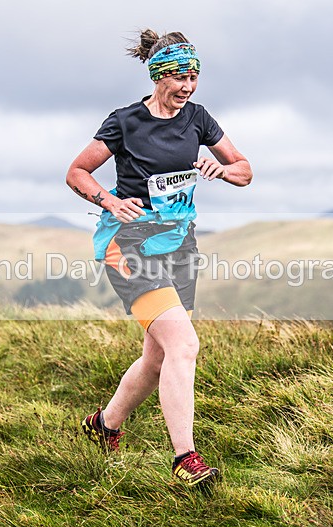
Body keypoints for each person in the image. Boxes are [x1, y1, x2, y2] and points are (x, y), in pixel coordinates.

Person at [66, 29, 252, 488]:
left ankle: (104, 425)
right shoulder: (125, 121)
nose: (188, 86)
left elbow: (245, 170)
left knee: (157, 357)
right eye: (180, 77)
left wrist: (222, 169)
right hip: (127, 244)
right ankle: (185, 459)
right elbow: (77, 171)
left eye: (194, 77)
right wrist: (109, 201)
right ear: (158, 75)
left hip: (180, 247)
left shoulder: (198, 118)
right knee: (185, 346)